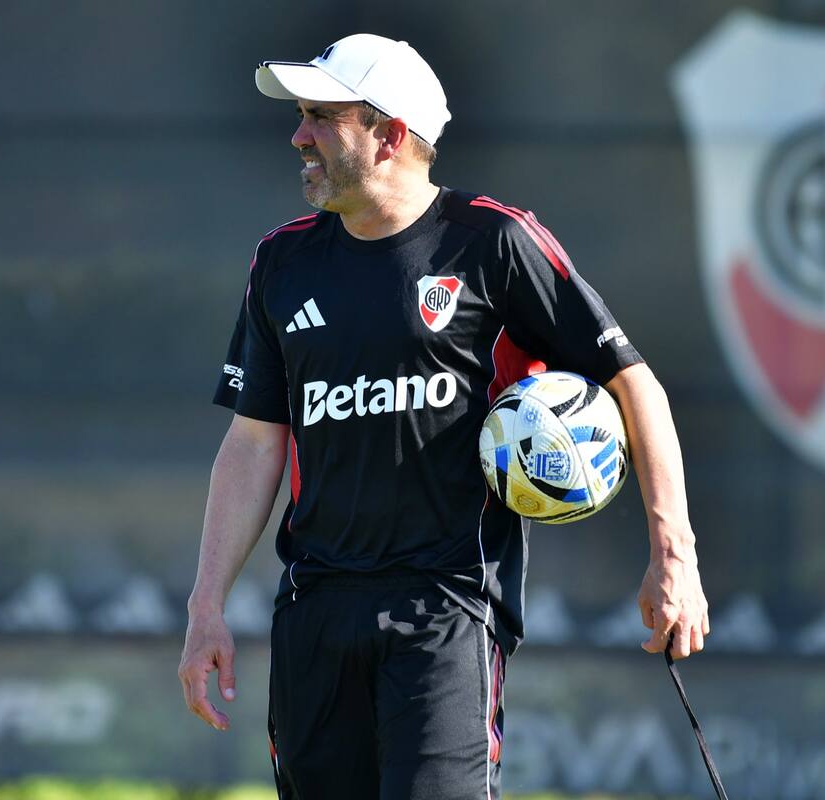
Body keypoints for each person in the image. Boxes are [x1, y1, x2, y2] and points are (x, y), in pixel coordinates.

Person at [178, 32, 710, 800]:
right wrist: (206, 607)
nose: (298, 135)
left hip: (448, 610)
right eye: (300, 116)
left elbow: (635, 383)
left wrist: (675, 556)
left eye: (323, 118)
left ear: (390, 134)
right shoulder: (281, 263)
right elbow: (255, 440)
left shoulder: (492, 241)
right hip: (315, 615)